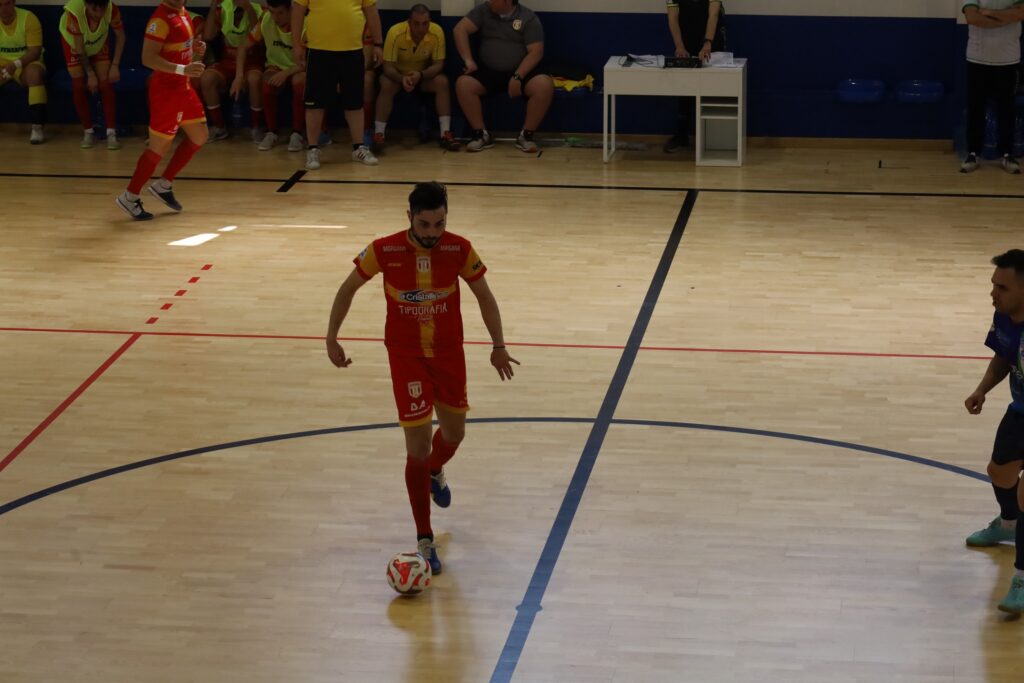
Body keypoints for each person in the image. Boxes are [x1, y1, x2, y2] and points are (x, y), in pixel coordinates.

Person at [325, 181, 518, 573]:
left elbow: (485, 296)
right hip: (406, 357)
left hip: (449, 355)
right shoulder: (384, 249)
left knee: (453, 435)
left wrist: (498, 345)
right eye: (425, 224)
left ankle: (435, 469)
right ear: (409, 217)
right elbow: (346, 290)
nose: (432, 233)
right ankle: (424, 538)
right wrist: (332, 337)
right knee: (416, 446)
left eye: (439, 224)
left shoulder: (459, 248)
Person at [964, 249, 1024, 614]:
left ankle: (1020, 580)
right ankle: (1006, 524)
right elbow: (1003, 356)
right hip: (1020, 412)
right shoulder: (1004, 318)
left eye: (1002, 287)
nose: (993, 293)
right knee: (1000, 473)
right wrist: (982, 389)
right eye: (993, 286)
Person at [115, 0, 208, 221]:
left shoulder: (183, 12)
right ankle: (130, 196)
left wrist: (195, 50)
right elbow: (147, 58)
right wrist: (182, 68)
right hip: (167, 92)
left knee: (200, 135)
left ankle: (163, 184)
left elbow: (178, 51)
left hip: (182, 88)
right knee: (158, 147)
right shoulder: (160, 20)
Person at [291, 0, 383, 170]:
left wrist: (378, 44)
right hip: (319, 50)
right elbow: (297, 11)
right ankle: (312, 148)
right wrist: (296, 44)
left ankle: (358, 148)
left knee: (354, 102)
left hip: (352, 50)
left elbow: (371, 11)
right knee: (315, 103)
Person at [453, 0, 553, 153]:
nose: (489, 1)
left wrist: (518, 76)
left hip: (520, 71)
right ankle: (481, 135)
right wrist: (468, 60)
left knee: (544, 85)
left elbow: (536, 52)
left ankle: (526, 136)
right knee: (463, 84)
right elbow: (460, 29)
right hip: (489, 71)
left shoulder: (528, 18)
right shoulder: (483, 11)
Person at [373, 3, 459, 152]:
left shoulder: (437, 32)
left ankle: (445, 134)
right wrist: (401, 78)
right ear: (409, 22)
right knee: (386, 84)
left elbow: (439, 64)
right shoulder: (395, 32)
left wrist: (421, 75)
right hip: (397, 77)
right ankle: (378, 135)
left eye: (425, 24)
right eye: (416, 24)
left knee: (442, 82)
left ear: (429, 22)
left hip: (423, 76)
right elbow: (387, 66)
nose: (421, 28)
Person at [961, 1, 1024, 174]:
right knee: (976, 108)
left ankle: (1007, 154)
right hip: (977, 58)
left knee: (1007, 110)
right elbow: (973, 17)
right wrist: (1006, 17)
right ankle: (973, 153)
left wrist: (988, 13)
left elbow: (1020, 14)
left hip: (1008, 60)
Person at [235, 0, 305, 151]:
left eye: (280, 13)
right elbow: (242, 47)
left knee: (299, 83)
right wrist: (239, 76)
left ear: (291, 10)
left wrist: (286, 73)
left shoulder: (304, 23)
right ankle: (271, 131)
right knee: (267, 84)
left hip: (299, 68)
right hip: (275, 66)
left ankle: (297, 133)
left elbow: (311, 61)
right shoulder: (265, 20)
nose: (275, 17)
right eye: (272, 12)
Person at [59, 0, 126, 150]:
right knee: (78, 85)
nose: (99, 15)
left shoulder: (112, 9)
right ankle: (88, 131)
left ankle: (111, 132)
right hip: (74, 45)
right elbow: (80, 49)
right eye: (94, 11)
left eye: (102, 10)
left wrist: (115, 66)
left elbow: (121, 36)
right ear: (86, 5)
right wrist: (90, 74)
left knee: (105, 83)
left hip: (98, 41)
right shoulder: (74, 13)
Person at [664, 0, 725, 153]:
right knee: (685, 88)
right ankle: (682, 135)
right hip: (687, 37)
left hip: (712, 38)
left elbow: (714, 14)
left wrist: (708, 43)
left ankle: (713, 138)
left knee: (711, 88)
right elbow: (672, 17)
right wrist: (679, 46)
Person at [201, 0, 263, 141]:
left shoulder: (259, 10)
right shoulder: (223, 9)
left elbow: (259, 39)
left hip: (251, 61)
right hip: (228, 61)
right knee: (207, 78)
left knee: (254, 79)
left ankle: (256, 127)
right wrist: (213, 6)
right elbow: (208, 36)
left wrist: (248, 9)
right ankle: (219, 128)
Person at [0, 0, 47, 144]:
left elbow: (35, 51)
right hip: (2, 64)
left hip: (25, 63)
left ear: (14, 3)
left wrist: (15, 64)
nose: (3, 9)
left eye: (7, 4)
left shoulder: (29, 18)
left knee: (34, 74)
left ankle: (37, 127)